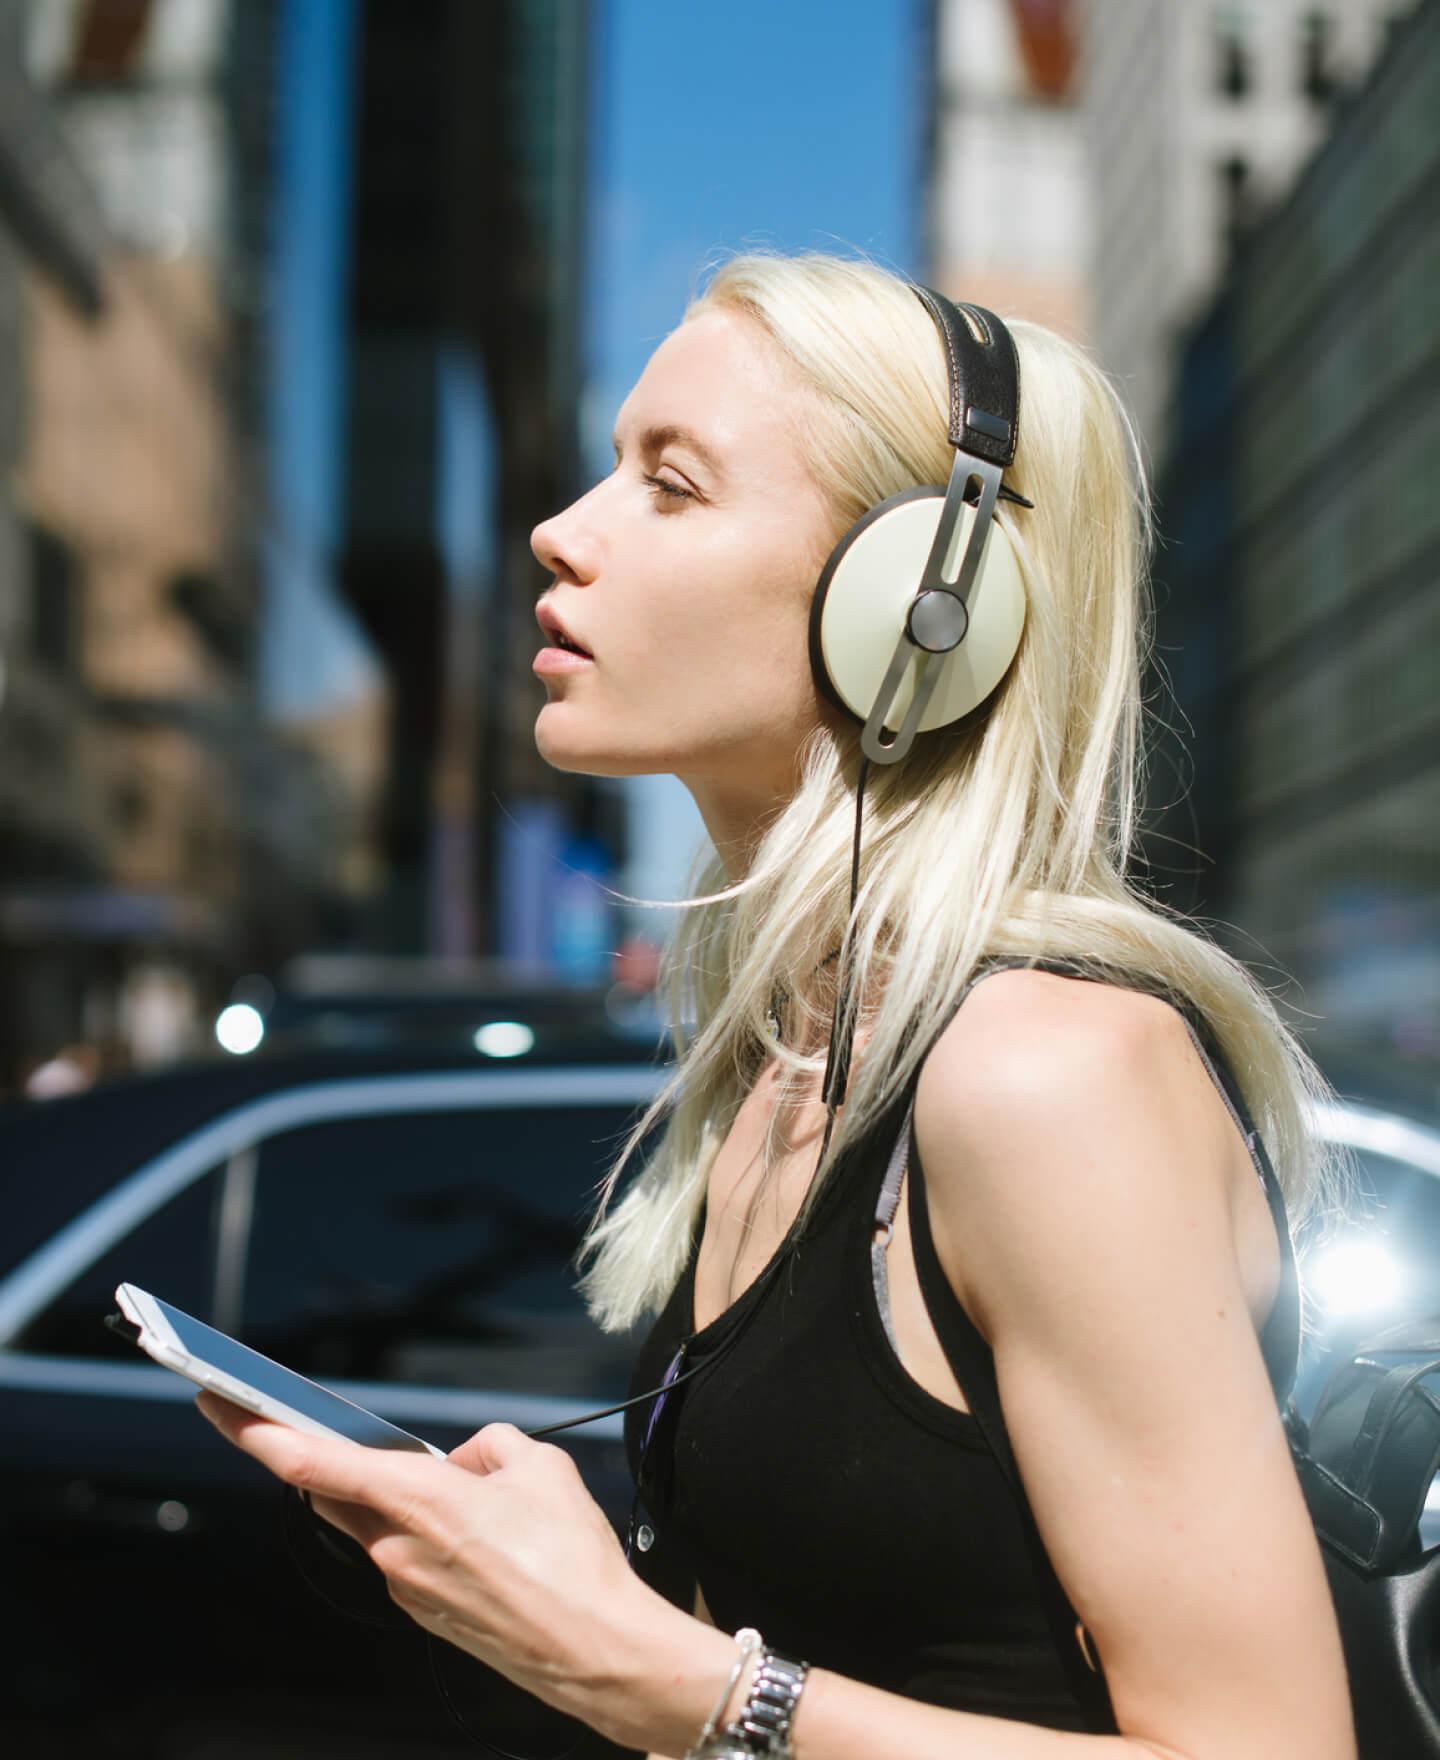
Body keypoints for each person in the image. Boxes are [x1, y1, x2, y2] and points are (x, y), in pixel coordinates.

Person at [198, 252, 1356, 1760]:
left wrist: (672, 1684)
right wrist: (559, 1585)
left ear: (925, 608)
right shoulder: (780, 1069)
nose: (560, 531)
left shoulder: (1048, 1075)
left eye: (671, 487)